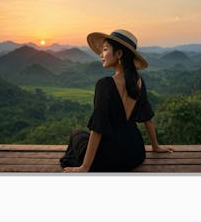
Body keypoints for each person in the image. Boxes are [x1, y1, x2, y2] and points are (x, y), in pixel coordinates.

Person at [60, 29, 173, 172]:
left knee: (77, 134)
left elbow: (98, 129)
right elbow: (148, 119)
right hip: (135, 153)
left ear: (119, 54)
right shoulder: (139, 82)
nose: (101, 55)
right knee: (85, 137)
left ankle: (84, 163)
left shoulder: (105, 84)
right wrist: (155, 146)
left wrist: (85, 167)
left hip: (109, 157)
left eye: (105, 49)